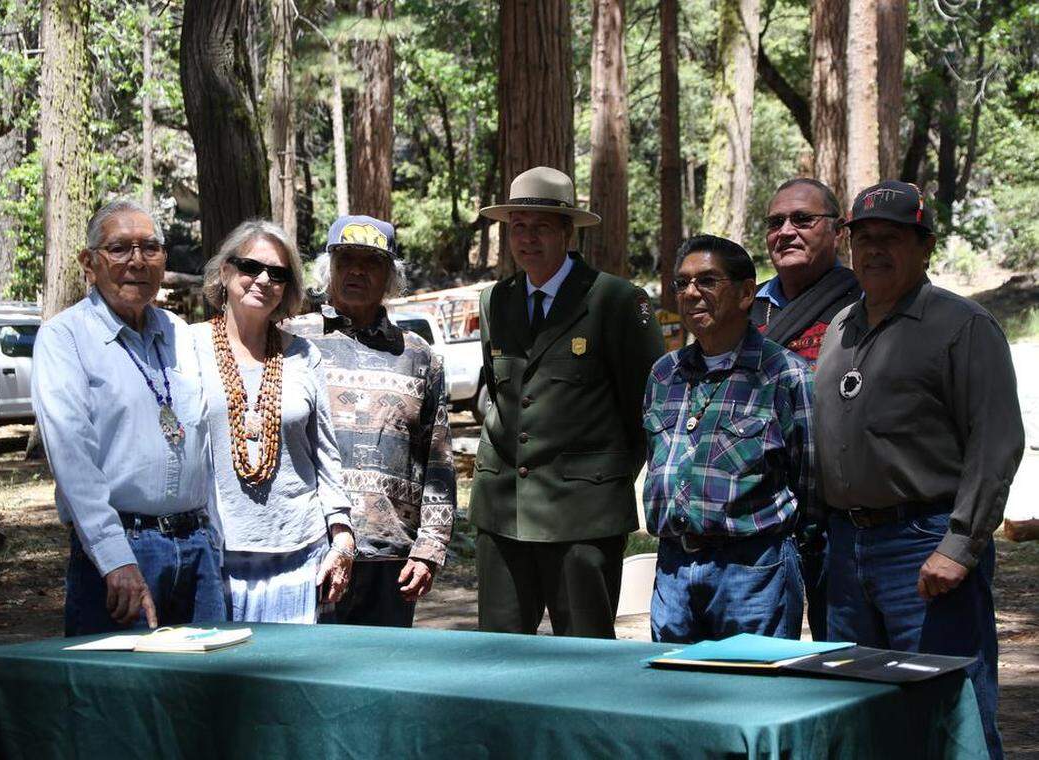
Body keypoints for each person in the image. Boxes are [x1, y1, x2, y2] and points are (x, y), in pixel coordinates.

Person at [814, 180, 1023, 759]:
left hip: (924, 545)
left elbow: (997, 440)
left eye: (893, 238)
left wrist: (960, 545)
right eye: (864, 238)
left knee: (951, 710)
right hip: (847, 547)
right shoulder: (840, 328)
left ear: (925, 246)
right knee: (861, 710)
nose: (876, 250)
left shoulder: (961, 327)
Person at [469, 166, 665, 638]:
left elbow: (646, 407)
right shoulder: (495, 301)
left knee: (585, 660)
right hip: (502, 515)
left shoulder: (616, 301)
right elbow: (499, 396)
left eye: (540, 227)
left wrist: (597, 481)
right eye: (518, 226)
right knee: (500, 659)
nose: (527, 239)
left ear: (566, 232)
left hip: (583, 518)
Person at [32, 199, 225, 636]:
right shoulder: (64, 339)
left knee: (206, 696)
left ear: (164, 260)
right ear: (89, 262)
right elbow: (72, 461)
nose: (136, 261)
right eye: (119, 249)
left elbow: (206, 446)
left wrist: (215, 541)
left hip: (198, 549)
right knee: (119, 696)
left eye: (150, 248)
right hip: (124, 550)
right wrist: (113, 556)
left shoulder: (179, 333)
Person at [642, 235, 814, 643]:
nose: (691, 293)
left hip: (752, 570)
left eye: (707, 280)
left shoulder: (784, 373)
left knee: (752, 695)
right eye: (681, 284)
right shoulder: (664, 375)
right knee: (673, 696)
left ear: (745, 293)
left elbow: (812, 482)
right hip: (673, 569)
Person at [289, 215, 455, 627]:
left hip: (392, 559)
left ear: (391, 277)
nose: (357, 270)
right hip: (309, 547)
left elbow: (439, 459)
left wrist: (430, 547)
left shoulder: (419, 355)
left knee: (382, 683)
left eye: (372, 261)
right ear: (328, 270)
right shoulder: (291, 340)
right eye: (346, 259)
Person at [192, 220, 355, 624]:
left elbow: (325, 453)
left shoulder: (303, 355)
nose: (263, 279)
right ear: (225, 271)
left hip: (300, 554)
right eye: (251, 266)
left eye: (278, 274)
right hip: (216, 555)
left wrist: (342, 533)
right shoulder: (186, 345)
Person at [751, 178, 861, 641]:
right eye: (776, 222)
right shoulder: (749, 306)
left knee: (846, 653)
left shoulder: (863, 301)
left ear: (837, 232)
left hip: (842, 517)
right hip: (764, 516)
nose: (786, 231)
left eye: (803, 219)